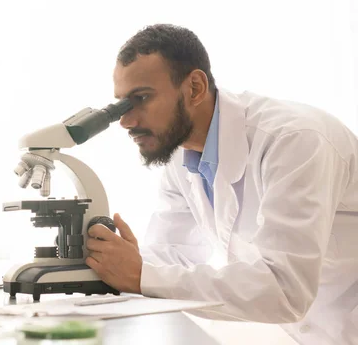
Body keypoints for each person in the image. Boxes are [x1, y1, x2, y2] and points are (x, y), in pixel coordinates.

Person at [85, 24, 358, 345]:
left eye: (141, 98)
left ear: (195, 88)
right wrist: (110, 263)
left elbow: (285, 289)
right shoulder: (181, 154)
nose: (127, 121)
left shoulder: (294, 141)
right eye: (122, 105)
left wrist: (142, 274)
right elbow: (177, 255)